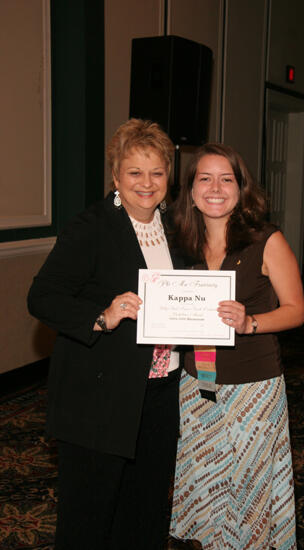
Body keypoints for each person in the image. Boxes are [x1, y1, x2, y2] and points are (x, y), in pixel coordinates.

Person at [28, 119, 184, 550]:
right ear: (116, 177)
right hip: (101, 395)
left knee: (146, 509)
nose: (147, 183)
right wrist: (102, 315)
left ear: (168, 176)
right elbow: (42, 296)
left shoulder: (173, 229)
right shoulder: (92, 226)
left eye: (157, 172)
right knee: (90, 516)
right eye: (134, 172)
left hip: (160, 390)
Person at [169, 143, 304, 549]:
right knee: (206, 489)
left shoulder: (266, 240)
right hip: (196, 390)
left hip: (253, 389)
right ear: (191, 190)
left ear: (241, 188)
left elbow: (296, 310)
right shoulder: (182, 245)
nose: (215, 187)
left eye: (226, 179)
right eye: (204, 178)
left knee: (248, 496)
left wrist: (250, 323)